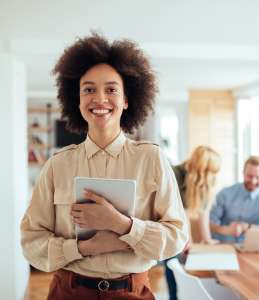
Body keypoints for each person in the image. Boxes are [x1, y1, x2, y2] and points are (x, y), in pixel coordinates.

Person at [21, 33, 188, 300]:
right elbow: (31, 244)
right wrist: (83, 248)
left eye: (111, 89)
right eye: (88, 89)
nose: (100, 98)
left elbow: (177, 237)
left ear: (126, 100)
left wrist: (122, 225)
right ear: (77, 100)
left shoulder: (151, 159)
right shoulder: (57, 166)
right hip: (69, 292)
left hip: (133, 292)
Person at [164, 145, 221, 300]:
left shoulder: (202, 180)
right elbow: (180, 213)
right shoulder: (174, 174)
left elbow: (203, 210)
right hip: (168, 224)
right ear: (202, 170)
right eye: (211, 172)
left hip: (180, 223)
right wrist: (187, 240)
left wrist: (207, 238)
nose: (213, 177)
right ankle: (173, 297)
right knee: (173, 256)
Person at [210, 155, 259, 243]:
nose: (253, 181)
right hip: (224, 245)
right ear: (243, 173)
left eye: (258, 177)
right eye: (250, 176)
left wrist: (247, 227)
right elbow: (210, 224)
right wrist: (226, 229)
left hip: (253, 246)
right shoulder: (225, 193)